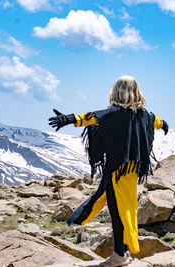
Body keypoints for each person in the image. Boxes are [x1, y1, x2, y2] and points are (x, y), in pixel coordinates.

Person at [48, 75, 168, 267]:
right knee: (127, 209)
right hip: (132, 171)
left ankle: (119, 254)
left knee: (116, 211)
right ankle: (126, 251)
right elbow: (158, 122)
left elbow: (92, 116)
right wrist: (164, 125)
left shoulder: (114, 113)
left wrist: (68, 119)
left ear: (118, 91)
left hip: (116, 171)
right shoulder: (146, 115)